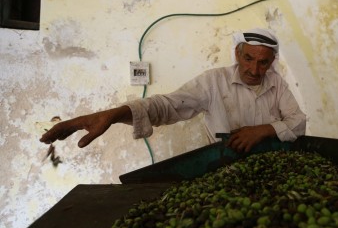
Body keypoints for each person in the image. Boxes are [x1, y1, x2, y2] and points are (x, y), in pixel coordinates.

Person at [40, 28, 306, 153]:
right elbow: (167, 106)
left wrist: (263, 130)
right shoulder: (214, 82)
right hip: (225, 165)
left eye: (263, 63)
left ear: (271, 63)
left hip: (272, 163)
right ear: (237, 54)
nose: (254, 70)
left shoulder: (277, 84)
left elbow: (298, 122)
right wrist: (114, 114)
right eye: (248, 59)